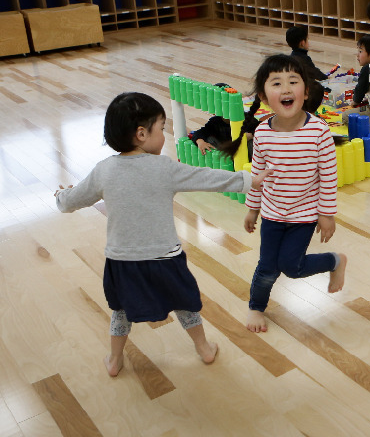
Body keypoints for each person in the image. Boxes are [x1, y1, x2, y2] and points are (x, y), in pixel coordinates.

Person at [54, 92, 273, 377]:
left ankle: (115, 359)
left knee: (121, 311)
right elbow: (205, 177)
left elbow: (72, 200)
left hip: (123, 262)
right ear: (141, 134)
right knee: (185, 305)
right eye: (161, 128)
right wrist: (248, 180)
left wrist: (60, 196)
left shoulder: (103, 170)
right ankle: (204, 348)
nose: (164, 135)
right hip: (165, 259)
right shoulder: (164, 168)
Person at [220, 54, 347, 333]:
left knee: (291, 266)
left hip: (305, 215)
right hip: (272, 213)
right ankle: (256, 307)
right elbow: (258, 178)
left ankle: (334, 261)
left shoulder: (319, 132)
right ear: (264, 97)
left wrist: (326, 214)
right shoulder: (262, 134)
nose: (286, 88)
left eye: (293, 81)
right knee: (267, 266)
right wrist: (252, 209)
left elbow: (328, 177)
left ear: (306, 92)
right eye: (277, 83)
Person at [285, 25, 329, 113]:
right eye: (307, 40)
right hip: (303, 94)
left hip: (292, 90)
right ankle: (310, 112)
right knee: (318, 88)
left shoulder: (291, 57)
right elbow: (314, 72)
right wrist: (325, 77)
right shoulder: (303, 59)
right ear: (302, 43)